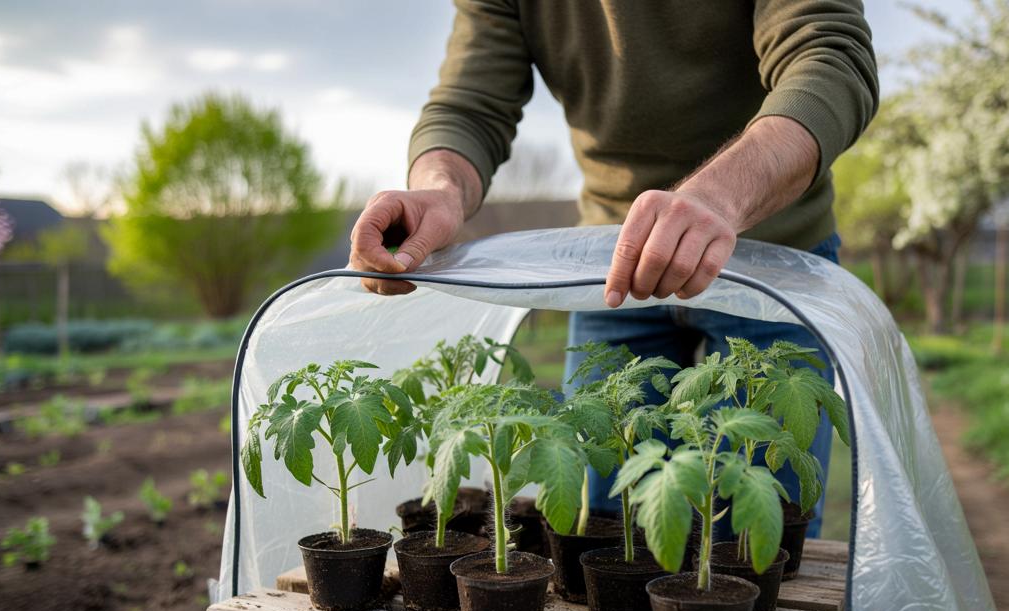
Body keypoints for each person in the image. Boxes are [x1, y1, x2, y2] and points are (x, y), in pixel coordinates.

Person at [349, 1, 878, 539]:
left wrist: (720, 197)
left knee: (757, 539)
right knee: (609, 525)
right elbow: (469, 104)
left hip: (772, 260)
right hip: (611, 269)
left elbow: (830, 56)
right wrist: (438, 190)